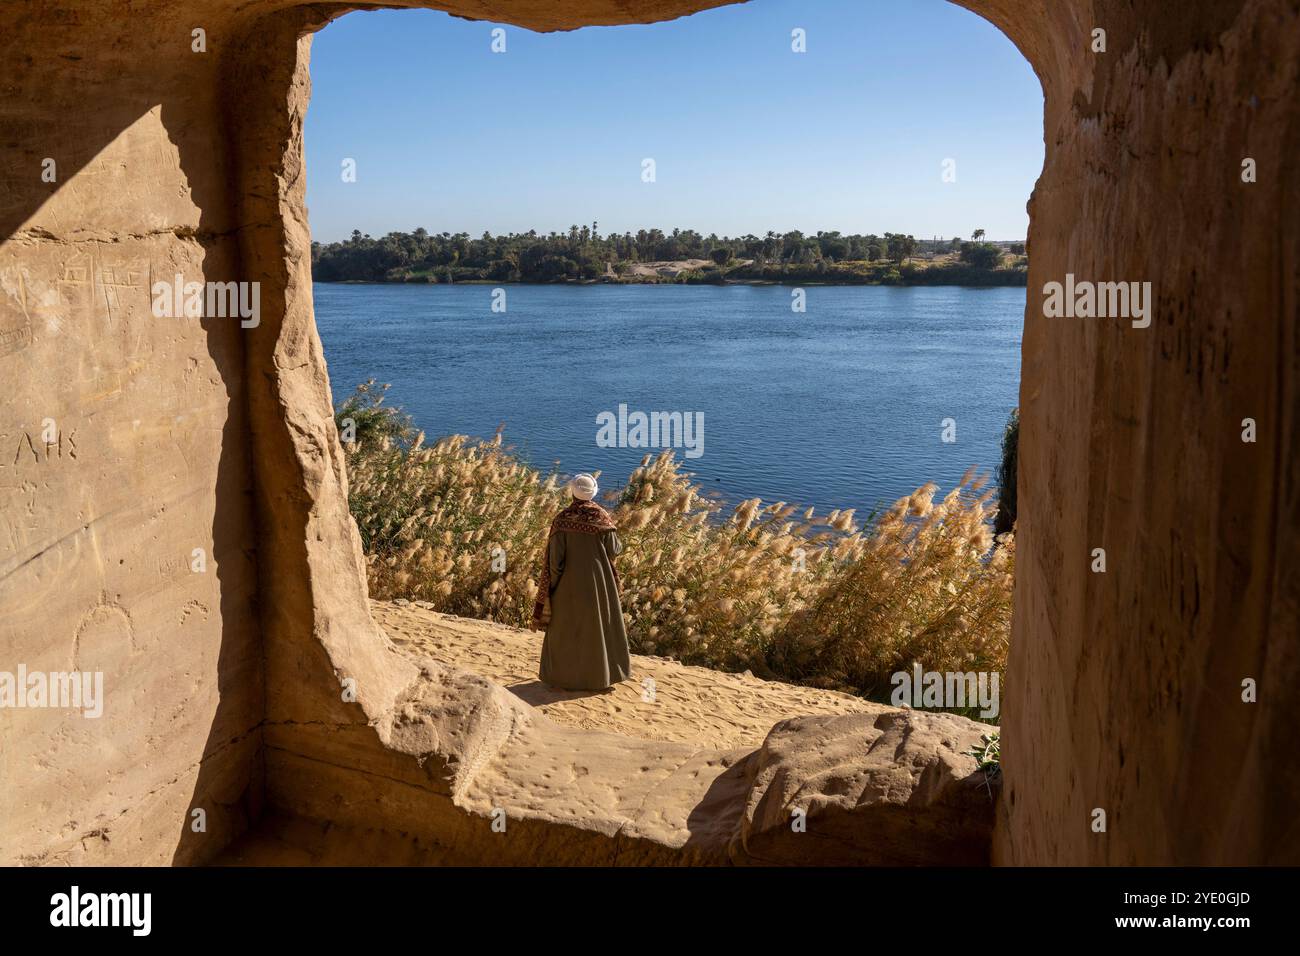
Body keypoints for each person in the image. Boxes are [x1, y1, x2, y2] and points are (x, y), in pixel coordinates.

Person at [532, 474, 631, 690]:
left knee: (564, 630)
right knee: (599, 629)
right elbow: (615, 549)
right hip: (601, 584)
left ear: (572, 492)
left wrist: (554, 586)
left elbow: (555, 561)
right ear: (593, 492)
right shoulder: (602, 519)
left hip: (568, 583)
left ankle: (562, 678)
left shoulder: (562, 519)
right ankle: (600, 678)